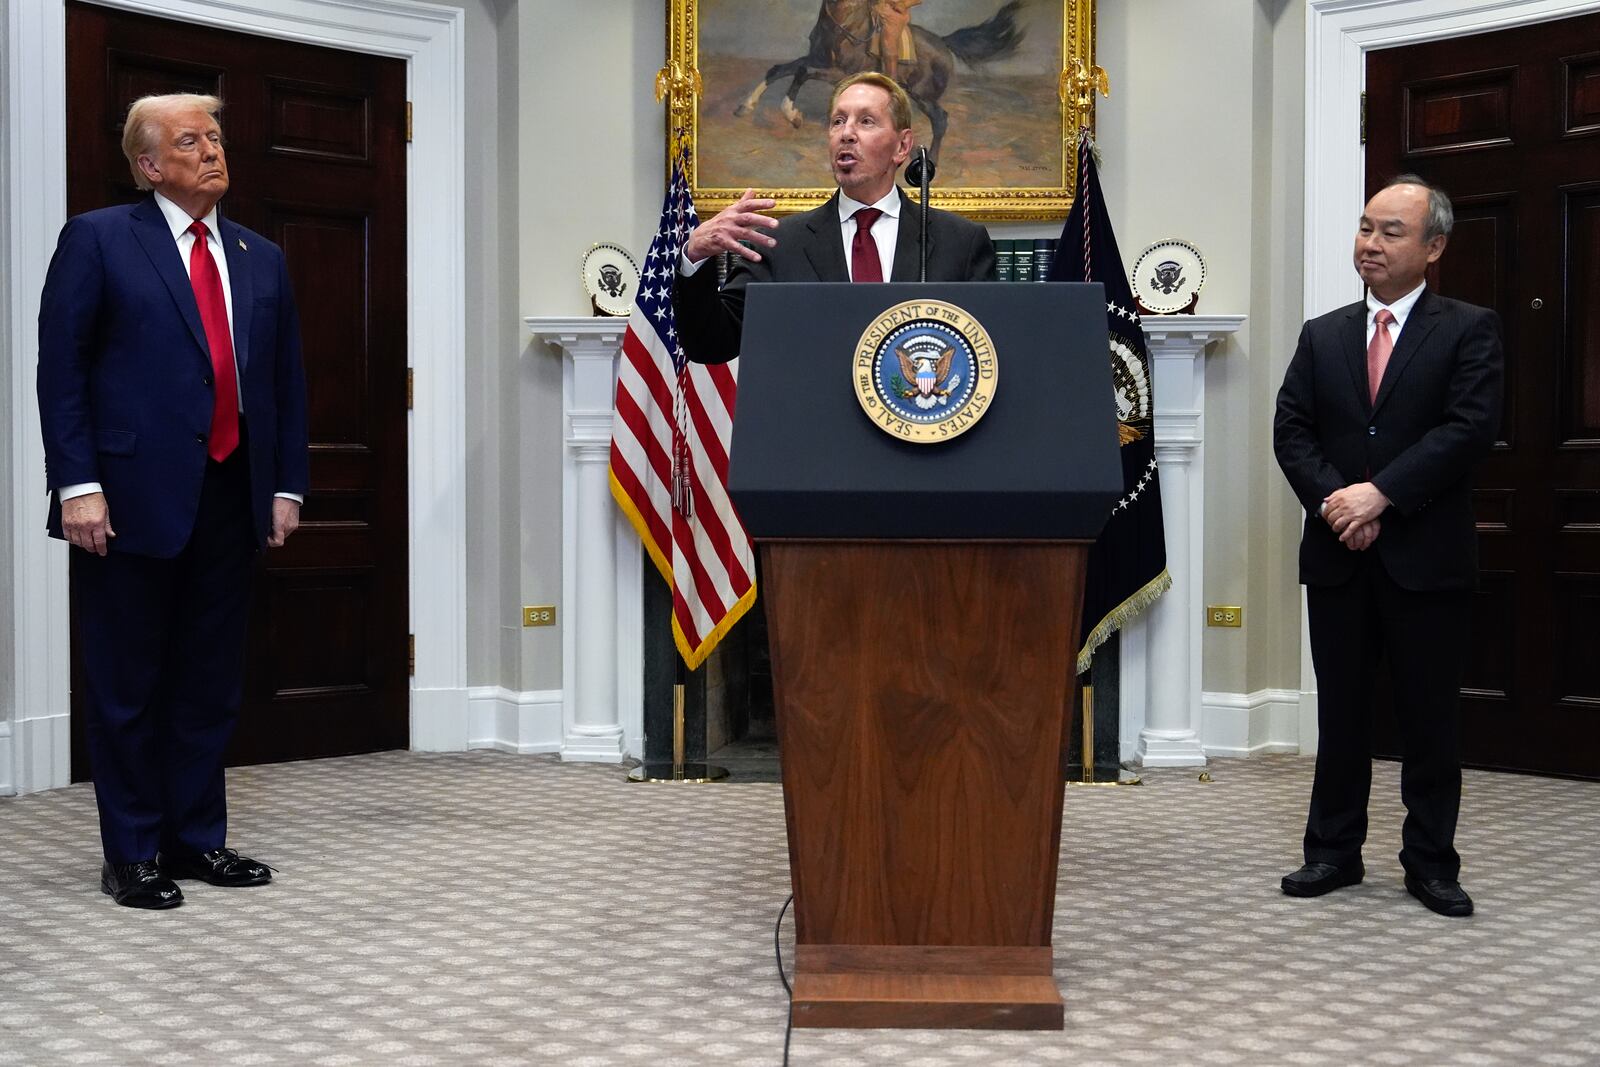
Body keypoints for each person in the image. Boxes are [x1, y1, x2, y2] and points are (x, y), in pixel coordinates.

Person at [37, 93, 309, 909]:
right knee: (128, 685)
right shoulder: (98, 239)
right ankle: (132, 853)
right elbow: (62, 371)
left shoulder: (261, 256)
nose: (212, 152)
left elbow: (284, 381)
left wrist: (285, 484)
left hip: (231, 494)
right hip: (123, 500)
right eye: (191, 141)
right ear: (149, 164)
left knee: (208, 682)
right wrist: (77, 484)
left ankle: (197, 840)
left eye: (217, 137)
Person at [1273, 175, 1503, 918]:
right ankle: (1332, 851)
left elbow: (1467, 431)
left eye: (1390, 232)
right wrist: (1339, 501)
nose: (1370, 243)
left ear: (1433, 247)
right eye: (1365, 227)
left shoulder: (1469, 329)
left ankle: (1431, 861)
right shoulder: (1324, 333)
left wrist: (1384, 494)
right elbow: (1292, 430)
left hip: (1425, 556)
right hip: (1339, 556)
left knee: (1429, 716)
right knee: (1342, 714)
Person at [674, 71, 994, 365]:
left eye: (866, 121)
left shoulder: (960, 243)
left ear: (903, 146)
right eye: (838, 121)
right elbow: (711, 344)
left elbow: (988, 354)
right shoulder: (780, 242)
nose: (847, 133)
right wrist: (694, 256)